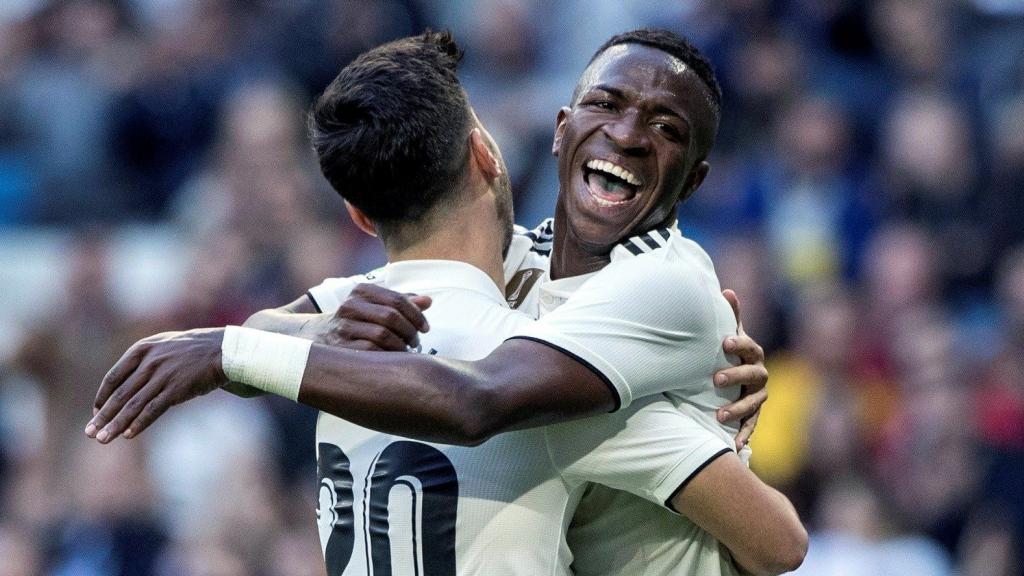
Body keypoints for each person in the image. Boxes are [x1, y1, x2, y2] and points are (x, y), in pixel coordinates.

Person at [88, 29, 806, 575]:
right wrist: (308, 331)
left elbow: (474, 397)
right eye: (607, 105)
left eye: (666, 127)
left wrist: (236, 350)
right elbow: (779, 541)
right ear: (521, 144)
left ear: (361, 220)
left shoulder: (664, 285)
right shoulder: (525, 337)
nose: (626, 134)